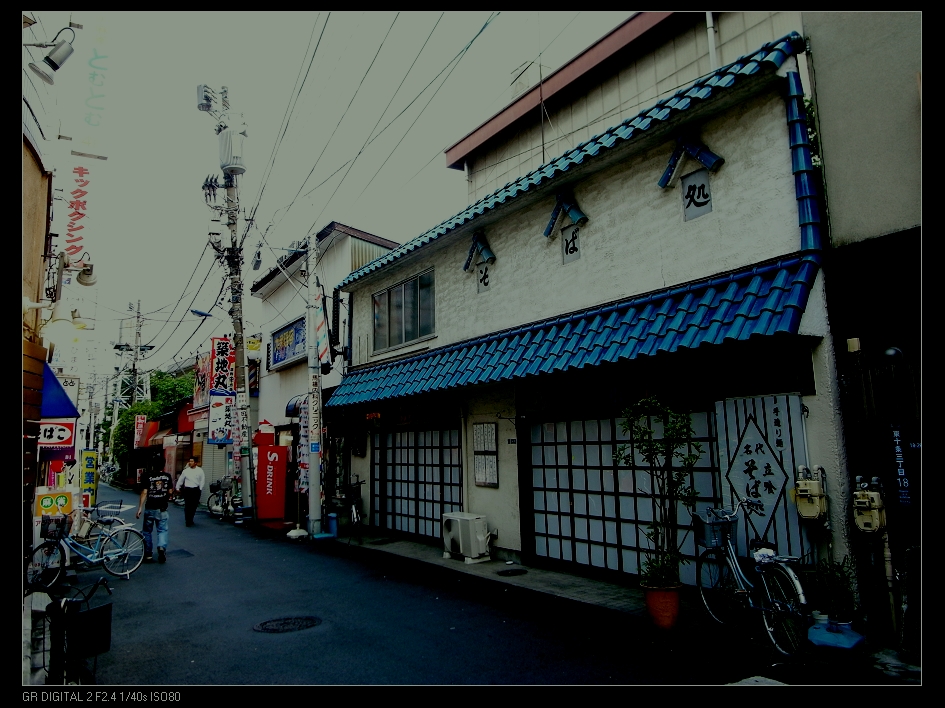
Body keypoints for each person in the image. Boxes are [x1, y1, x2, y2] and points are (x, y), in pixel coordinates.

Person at [135, 456, 172, 563]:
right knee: (162, 530)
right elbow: (170, 491)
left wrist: (140, 508)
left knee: (147, 531)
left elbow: (144, 492)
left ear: (152, 465)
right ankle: (161, 547)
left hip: (150, 508)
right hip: (162, 509)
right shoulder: (167, 476)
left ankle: (148, 555)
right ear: (163, 465)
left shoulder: (147, 475)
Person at [176, 457, 205, 527]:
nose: (190, 463)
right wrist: (177, 487)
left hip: (196, 489)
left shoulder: (200, 471)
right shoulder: (186, 471)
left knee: (194, 505)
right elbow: (181, 479)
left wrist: (200, 488)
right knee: (187, 505)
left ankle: (191, 518)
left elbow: (202, 480)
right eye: (189, 461)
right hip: (188, 489)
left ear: (195, 463)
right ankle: (188, 520)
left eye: (192, 461)